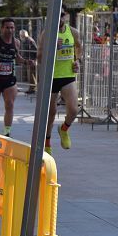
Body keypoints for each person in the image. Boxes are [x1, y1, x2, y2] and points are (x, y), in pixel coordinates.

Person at [36, 9, 82, 153]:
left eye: (61, 15)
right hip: (51, 77)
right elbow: (39, 57)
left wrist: (77, 61)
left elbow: (79, 47)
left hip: (67, 76)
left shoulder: (73, 32)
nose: (59, 18)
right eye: (56, 15)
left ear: (65, 16)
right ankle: (47, 142)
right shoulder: (46, 34)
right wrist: (53, 47)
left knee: (74, 110)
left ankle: (64, 129)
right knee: (50, 112)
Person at [18, 28, 38, 94]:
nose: (21, 37)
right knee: (30, 75)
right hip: (28, 60)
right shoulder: (26, 40)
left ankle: (32, 89)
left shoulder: (29, 40)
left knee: (32, 75)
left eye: (21, 35)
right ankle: (31, 88)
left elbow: (35, 50)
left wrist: (34, 59)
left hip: (31, 60)